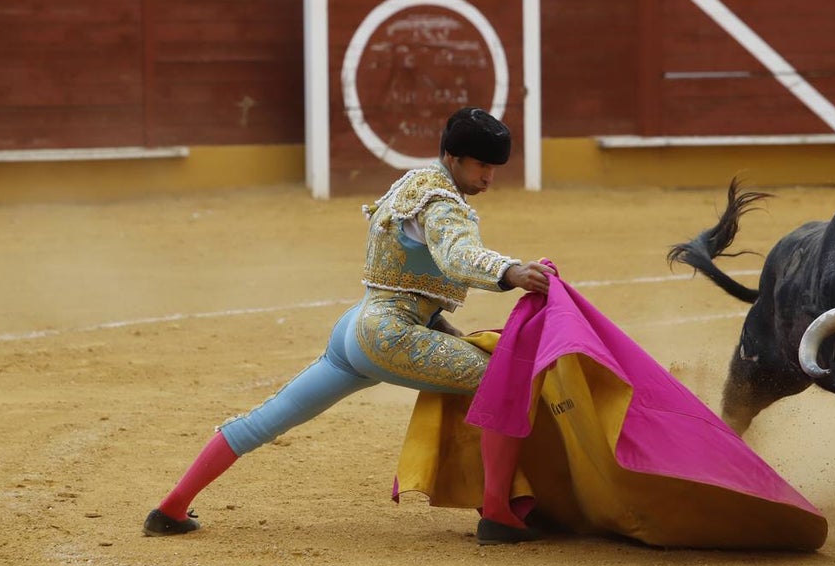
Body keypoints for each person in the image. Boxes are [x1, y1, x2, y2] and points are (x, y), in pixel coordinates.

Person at [143, 107, 556, 542]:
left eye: (494, 167)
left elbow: (406, 268)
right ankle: (497, 513)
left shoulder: (414, 184)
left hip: (356, 328)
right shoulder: (441, 203)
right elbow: (456, 255)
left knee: (268, 418)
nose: (489, 176)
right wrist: (510, 271)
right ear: (453, 157)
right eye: (483, 165)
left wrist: (438, 324)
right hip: (388, 333)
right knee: (498, 379)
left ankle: (170, 508)